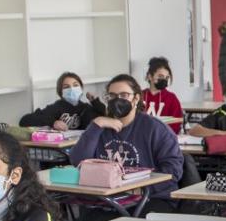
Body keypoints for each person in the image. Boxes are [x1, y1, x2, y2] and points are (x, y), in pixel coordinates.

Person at [69, 74, 184, 213]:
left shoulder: (156, 129)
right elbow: (78, 161)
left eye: (124, 95)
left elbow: (173, 170)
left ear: (136, 98)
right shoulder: (100, 128)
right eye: (112, 96)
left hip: (151, 198)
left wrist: (140, 189)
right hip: (109, 200)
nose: (117, 100)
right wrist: (96, 125)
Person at [18, 71, 100, 131]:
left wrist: (95, 102)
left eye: (75, 85)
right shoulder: (56, 107)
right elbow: (24, 120)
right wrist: (53, 122)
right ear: (60, 91)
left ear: (81, 88)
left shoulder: (86, 108)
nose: (72, 89)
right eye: (66, 87)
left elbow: (106, 116)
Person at [142, 56, 185, 135]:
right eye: (160, 76)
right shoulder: (139, 96)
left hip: (164, 139)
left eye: (166, 77)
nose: (164, 80)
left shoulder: (172, 98)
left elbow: (176, 124)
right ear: (150, 76)